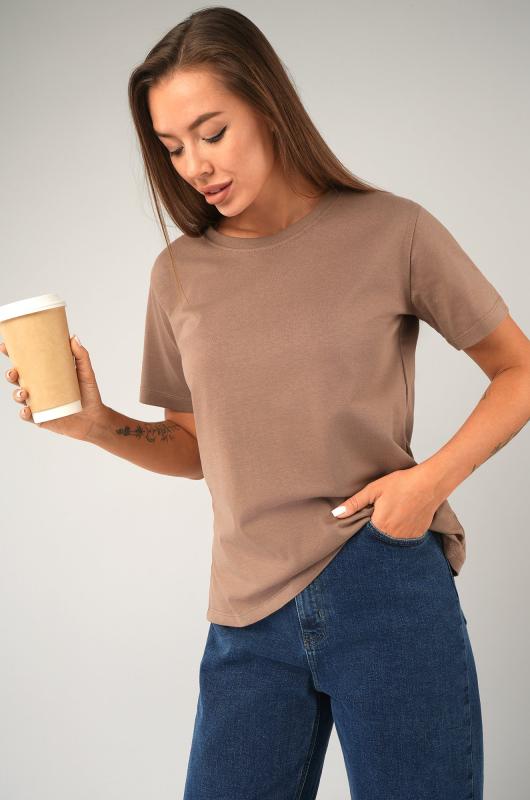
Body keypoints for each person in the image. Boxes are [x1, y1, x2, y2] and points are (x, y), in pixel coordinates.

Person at [3, 6, 530, 799]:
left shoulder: (394, 231)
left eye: (211, 133)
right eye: (172, 147)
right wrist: (95, 423)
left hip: (382, 581)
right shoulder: (178, 276)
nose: (195, 165)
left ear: (268, 107)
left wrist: (427, 486)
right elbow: (195, 448)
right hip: (245, 613)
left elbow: (518, 369)